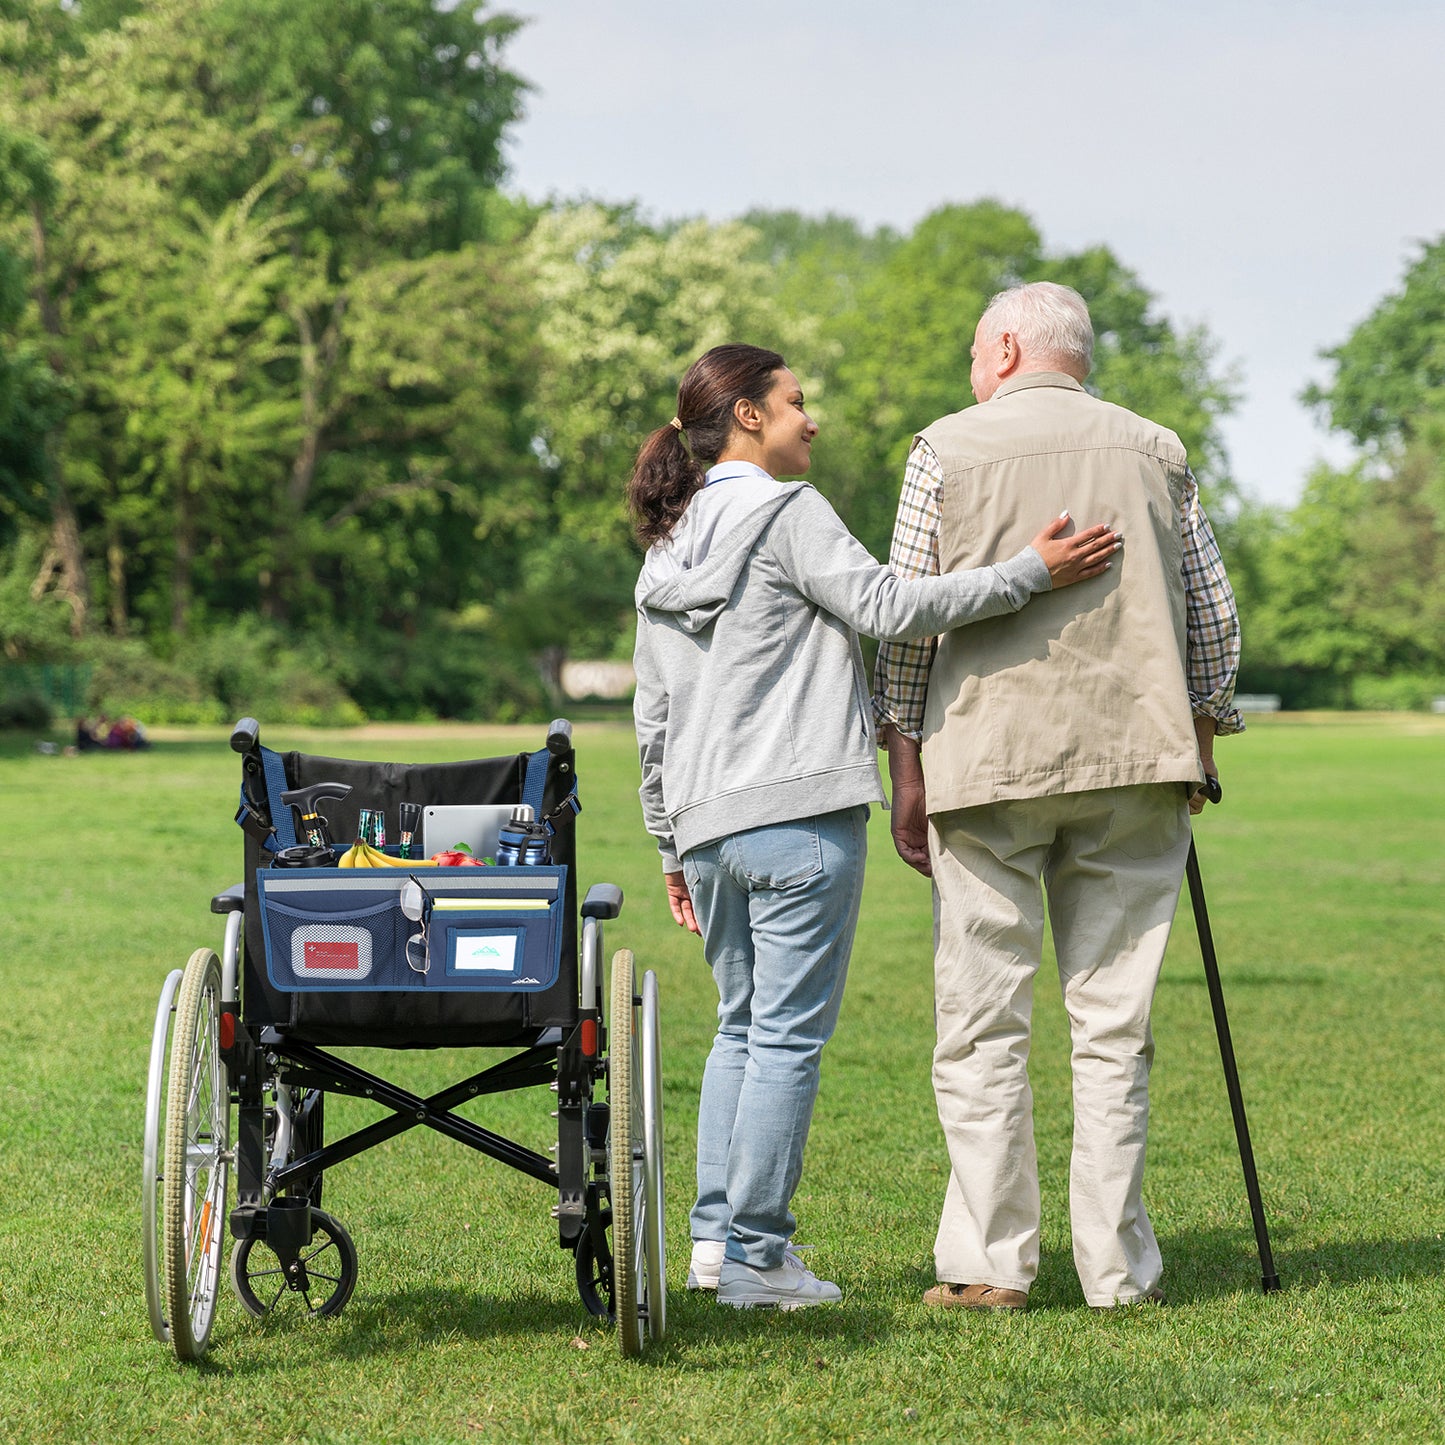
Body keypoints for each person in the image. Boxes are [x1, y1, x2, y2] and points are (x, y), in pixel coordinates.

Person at [629, 342, 1121, 1310]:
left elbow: (651, 716)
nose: (811, 418)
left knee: (737, 1030)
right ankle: (757, 1259)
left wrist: (666, 844)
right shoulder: (784, 513)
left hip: (706, 826)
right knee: (783, 1040)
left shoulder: (667, 547)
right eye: (794, 401)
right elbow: (891, 607)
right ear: (746, 418)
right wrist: (1029, 572)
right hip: (799, 814)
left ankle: (710, 1245)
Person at [873, 282, 1243, 1312]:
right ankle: (1114, 1268)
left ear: (1001, 346)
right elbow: (1210, 619)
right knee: (1112, 1023)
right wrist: (1200, 739)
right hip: (1136, 760)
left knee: (982, 1019)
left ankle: (992, 1264)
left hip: (986, 763)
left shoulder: (943, 448)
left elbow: (906, 622)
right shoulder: (1157, 448)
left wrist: (902, 764)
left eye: (970, 352)